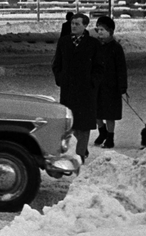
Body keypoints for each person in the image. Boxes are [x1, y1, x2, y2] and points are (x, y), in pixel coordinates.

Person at [51, 11, 100, 163]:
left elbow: (99, 67)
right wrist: (60, 78)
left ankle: (80, 155)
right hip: (68, 89)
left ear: (85, 26)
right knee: (69, 123)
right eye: (72, 23)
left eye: (77, 24)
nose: (74, 26)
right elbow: (56, 63)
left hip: (86, 90)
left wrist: (93, 82)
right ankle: (71, 152)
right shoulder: (64, 42)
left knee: (84, 124)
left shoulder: (93, 44)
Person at [92, 15, 127, 148]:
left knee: (109, 113)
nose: (100, 32)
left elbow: (121, 68)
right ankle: (102, 131)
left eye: (103, 30)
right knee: (95, 110)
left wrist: (122, 86)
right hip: (96, 84)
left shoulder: (116, 48)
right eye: (98, 29)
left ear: (110, 31)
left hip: (111, 86)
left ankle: (110, 136)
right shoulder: (95, 46)